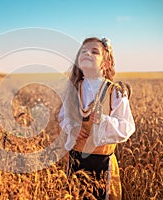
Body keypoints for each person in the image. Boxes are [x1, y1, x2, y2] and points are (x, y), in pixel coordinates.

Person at [58, 37, 135, 199]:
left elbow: (126, 127)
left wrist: (104, 121)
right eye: (83, 51)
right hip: (75, 161)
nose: (87, 53)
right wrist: (72, 128)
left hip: (102, 164)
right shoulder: (74, 90)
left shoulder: (115, 91)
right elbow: (63, 118)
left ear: (105, 64)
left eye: (94, 52)